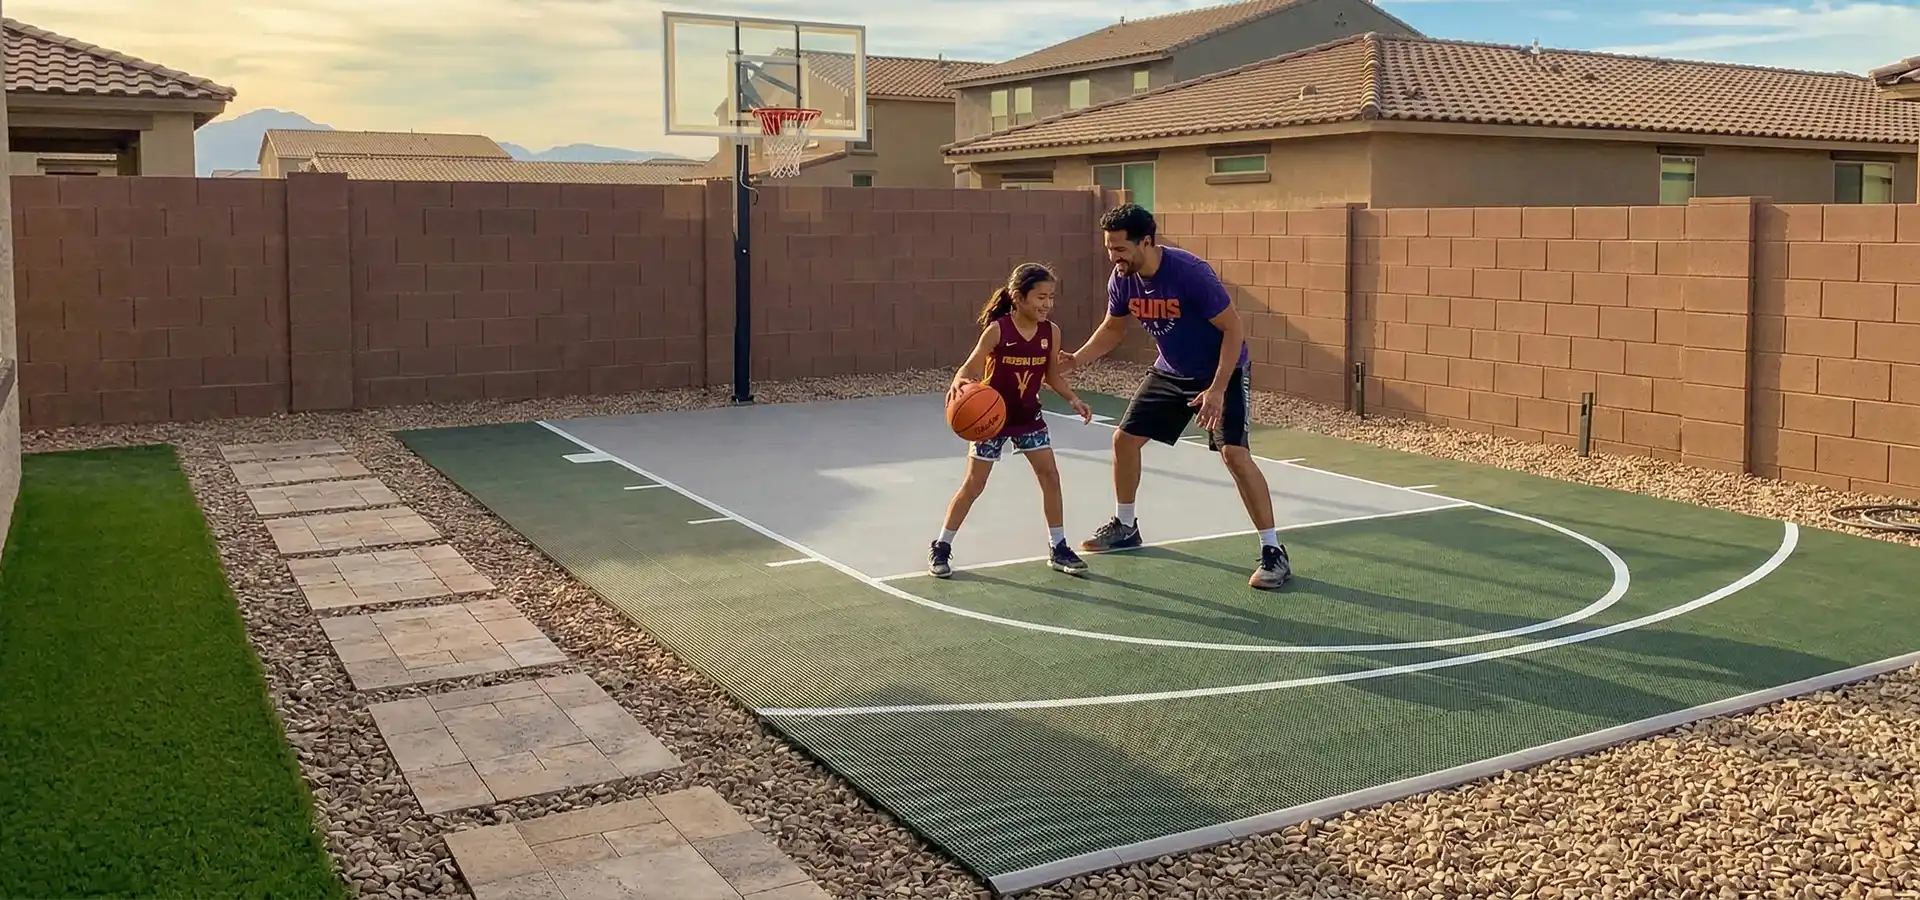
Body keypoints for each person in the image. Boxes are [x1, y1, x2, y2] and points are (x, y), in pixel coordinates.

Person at [1056, 203, 1291, 589]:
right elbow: (1114, 328)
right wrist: (1078, 359)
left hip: (1222, 370)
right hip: (1172, 370)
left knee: (1234, 454)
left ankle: (1273, 552)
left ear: (1146, 242)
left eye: (1120, 249)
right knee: (1125, 440)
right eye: (1110, 248)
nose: (1113, 257)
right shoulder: (1123, 279)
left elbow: (1234, 330)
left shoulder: (1190, 273)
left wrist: (1216, 390)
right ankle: (1126, 526)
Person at [931, 262, 1095, 579]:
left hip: (1028, 417)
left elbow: (1051, 375)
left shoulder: (1051, 332)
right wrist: (959, 382)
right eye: (1040, 297)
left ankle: (1058, 546)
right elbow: (969, 368)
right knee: (974, 485)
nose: (1047, 304)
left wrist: (1074, 399)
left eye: (1051, 297)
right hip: (990, 419)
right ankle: (941, 545)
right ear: (1017, 297)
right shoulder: (998, 330)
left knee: (1050, 476)